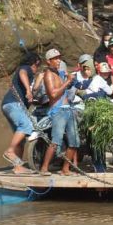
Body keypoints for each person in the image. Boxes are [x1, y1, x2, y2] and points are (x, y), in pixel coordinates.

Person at [40, 48, 80, 176]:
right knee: (56, 141)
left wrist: (70, 79)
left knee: (74, 142)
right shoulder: (48, 75)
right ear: (48, 61)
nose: (58, 61)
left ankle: (65, 169)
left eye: (59, 58)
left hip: (69, 109)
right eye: (55, 59)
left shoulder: (60, 73)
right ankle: (44, 168)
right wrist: (67, 82)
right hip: (58, 111)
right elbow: (52, 94)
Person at [1, 52, 41, 174]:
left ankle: (17, 167)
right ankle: (10, 151)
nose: (36, 70)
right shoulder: (26, 68)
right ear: (35, 63)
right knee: (26, 125)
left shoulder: (31, 76)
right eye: (37, 67)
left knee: (21, 139)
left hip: (8, 105)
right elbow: (22, 73)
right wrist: (28, 90)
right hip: (13, 103)